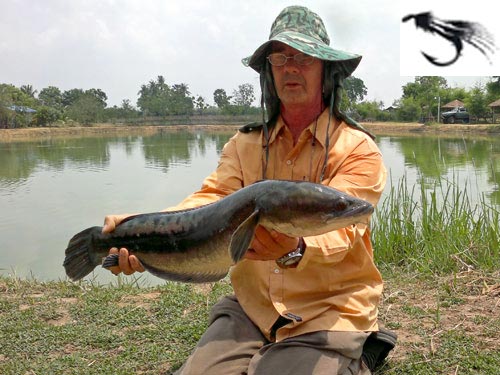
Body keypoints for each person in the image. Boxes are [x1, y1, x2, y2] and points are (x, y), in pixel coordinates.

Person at [103, 6, 396, 375]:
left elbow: (345, 228)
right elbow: (209, 201)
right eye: (279, 58)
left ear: (326, 69)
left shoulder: (356, 148)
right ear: (269, 72)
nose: (291, 67)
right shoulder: (244, 145)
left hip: (329, 309)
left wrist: (296, 246)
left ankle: (365, 348)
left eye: (303, 57)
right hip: (252, 308)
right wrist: (141, 226)